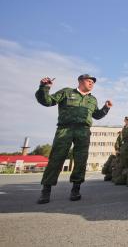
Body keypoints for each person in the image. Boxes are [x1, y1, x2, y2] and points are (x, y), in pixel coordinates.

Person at [35, 74, 112, 204]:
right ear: (80, 81)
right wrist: (44, 87)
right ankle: (46, 190)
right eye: (89, 81)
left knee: (81, 160)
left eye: (93, 82)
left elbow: (97, 116)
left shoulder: (92, 99)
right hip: (65, 129)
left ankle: (76, 189)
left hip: (83, 130)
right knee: (56, 158)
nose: (91, 83)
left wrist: (106, 108)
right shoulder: (67, 92)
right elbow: (47, 101)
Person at [113, 116, 128, 185]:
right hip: (123, 148)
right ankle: (122, 178)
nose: (127, 121)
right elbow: (120, 140)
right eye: (126, 120)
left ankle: (126, 179)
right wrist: (118, 149)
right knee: (122, 163)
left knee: (127, 164)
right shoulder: (124, 128)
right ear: (124, 120)